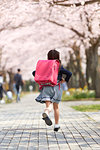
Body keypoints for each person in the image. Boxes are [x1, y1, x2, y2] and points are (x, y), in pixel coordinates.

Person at [32, 50, 72, 132]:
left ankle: (46, 113)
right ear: (58, 57)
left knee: (48, 106)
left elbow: (34, 72)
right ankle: (57, 125)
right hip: (57, 87)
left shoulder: (44, 66)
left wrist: (42, 78)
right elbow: (69, 73)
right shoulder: (58, 65)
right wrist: (64, 80)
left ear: (48, 57)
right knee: (56, 107)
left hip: (46, 87)